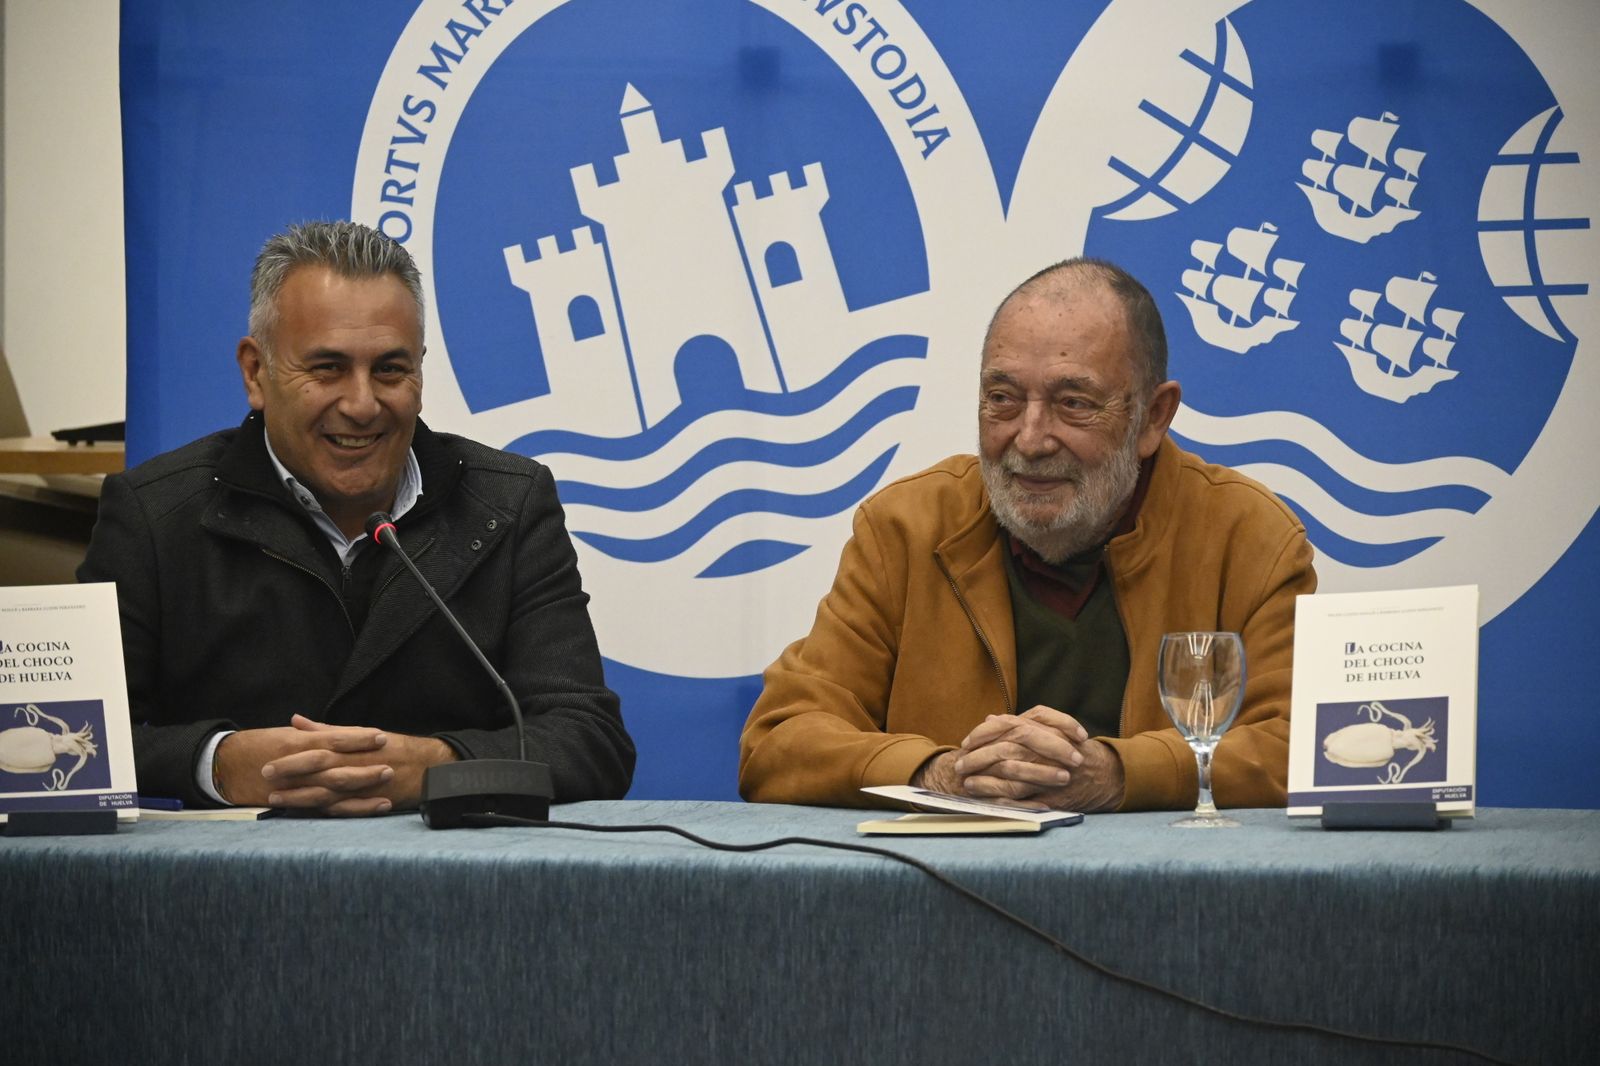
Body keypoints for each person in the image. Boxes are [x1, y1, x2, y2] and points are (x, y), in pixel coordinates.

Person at [80, 220, 634, 815]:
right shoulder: (154, 514)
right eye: (327, 369)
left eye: (390, 370)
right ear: (255, 372)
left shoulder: (509, 505)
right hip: (226, 891)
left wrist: (431, 768)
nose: (363, 404)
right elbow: (75, 742)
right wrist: (216, 763)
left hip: (455, 886)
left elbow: (590, 741)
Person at [739, 258, 1315, 812]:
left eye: (1073, 403)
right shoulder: (904, 529)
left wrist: (1118, 775)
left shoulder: (1249, 538)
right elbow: (779, 741)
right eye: (1003, 399)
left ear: (1153, 418)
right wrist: (939, 774)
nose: (1030, 439)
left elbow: (1300, 750)